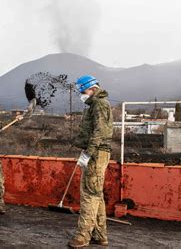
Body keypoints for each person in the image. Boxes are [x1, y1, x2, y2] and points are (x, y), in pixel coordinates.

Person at [68, 75, 113, 248]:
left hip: (96, 153)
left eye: (83, 91)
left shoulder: (99, 104)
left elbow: (99, 131)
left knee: (89, 195)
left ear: (92, 89)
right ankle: (100, 235)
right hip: (97, 152)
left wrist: (88, 153)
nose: (82, 94)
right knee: (96, 194)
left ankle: (82, 236)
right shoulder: (97, 104)